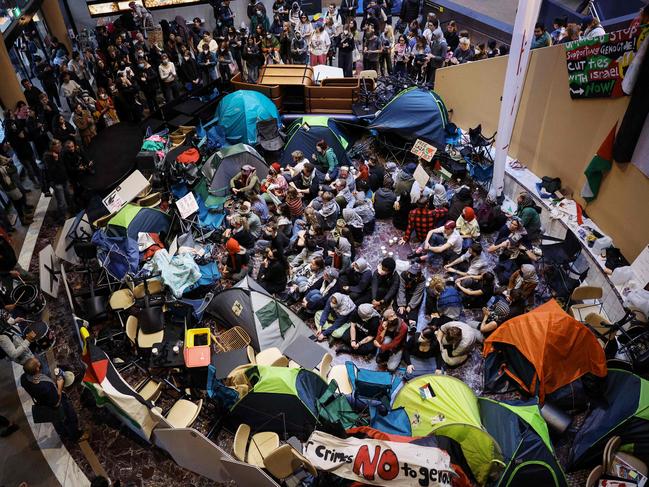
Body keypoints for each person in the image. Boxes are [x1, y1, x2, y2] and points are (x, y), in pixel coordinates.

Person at [21, 357, 87, 442]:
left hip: (42, 402)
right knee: (70, 418)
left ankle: (63, 433)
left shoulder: (23, 378)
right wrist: (59, 385)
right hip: (55, 404)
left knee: (56, 420)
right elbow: (56, 403)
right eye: (37, 362)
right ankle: (76, 436)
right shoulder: (45, 387)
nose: (38, 360)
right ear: (37, 369)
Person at [44, 139, 74, 222]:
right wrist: (56, 160)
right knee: (62, 201)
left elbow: (64, 165)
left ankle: (72, 210)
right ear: (52, 147)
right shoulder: (48, 156)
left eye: (60, 145)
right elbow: (51, 171)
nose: (60, 148)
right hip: (56, 182)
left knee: (69, 195)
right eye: (58, 147)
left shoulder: (61, 152)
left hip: (64, 179)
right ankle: (64, 216)